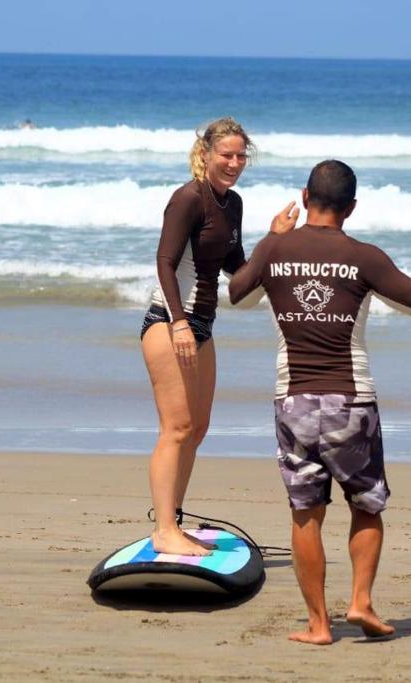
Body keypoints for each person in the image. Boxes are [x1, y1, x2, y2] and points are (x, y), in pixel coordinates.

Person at [229, 160, 411, 645]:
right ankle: (361, 602)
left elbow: (238, 296)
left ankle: (318, 624)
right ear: (351, 207)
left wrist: (271, 240)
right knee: (366, 505)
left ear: (305, 196)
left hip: (293, 402)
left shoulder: (274, 248)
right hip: (352, 402)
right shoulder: (364, 256)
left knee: (306, 513)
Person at [141, 117, 299, 556]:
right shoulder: (188, 198)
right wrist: (176, 322)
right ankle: (164, 529)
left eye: (240, 156)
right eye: (225, 155)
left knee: (197, 427)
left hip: (202, 326)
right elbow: (165, 261)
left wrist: (274, 241)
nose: (233, 163)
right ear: (206, 154)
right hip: (169, 321)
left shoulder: (233, 204)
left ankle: (172, 519)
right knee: (176, 428)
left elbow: (237, 266)